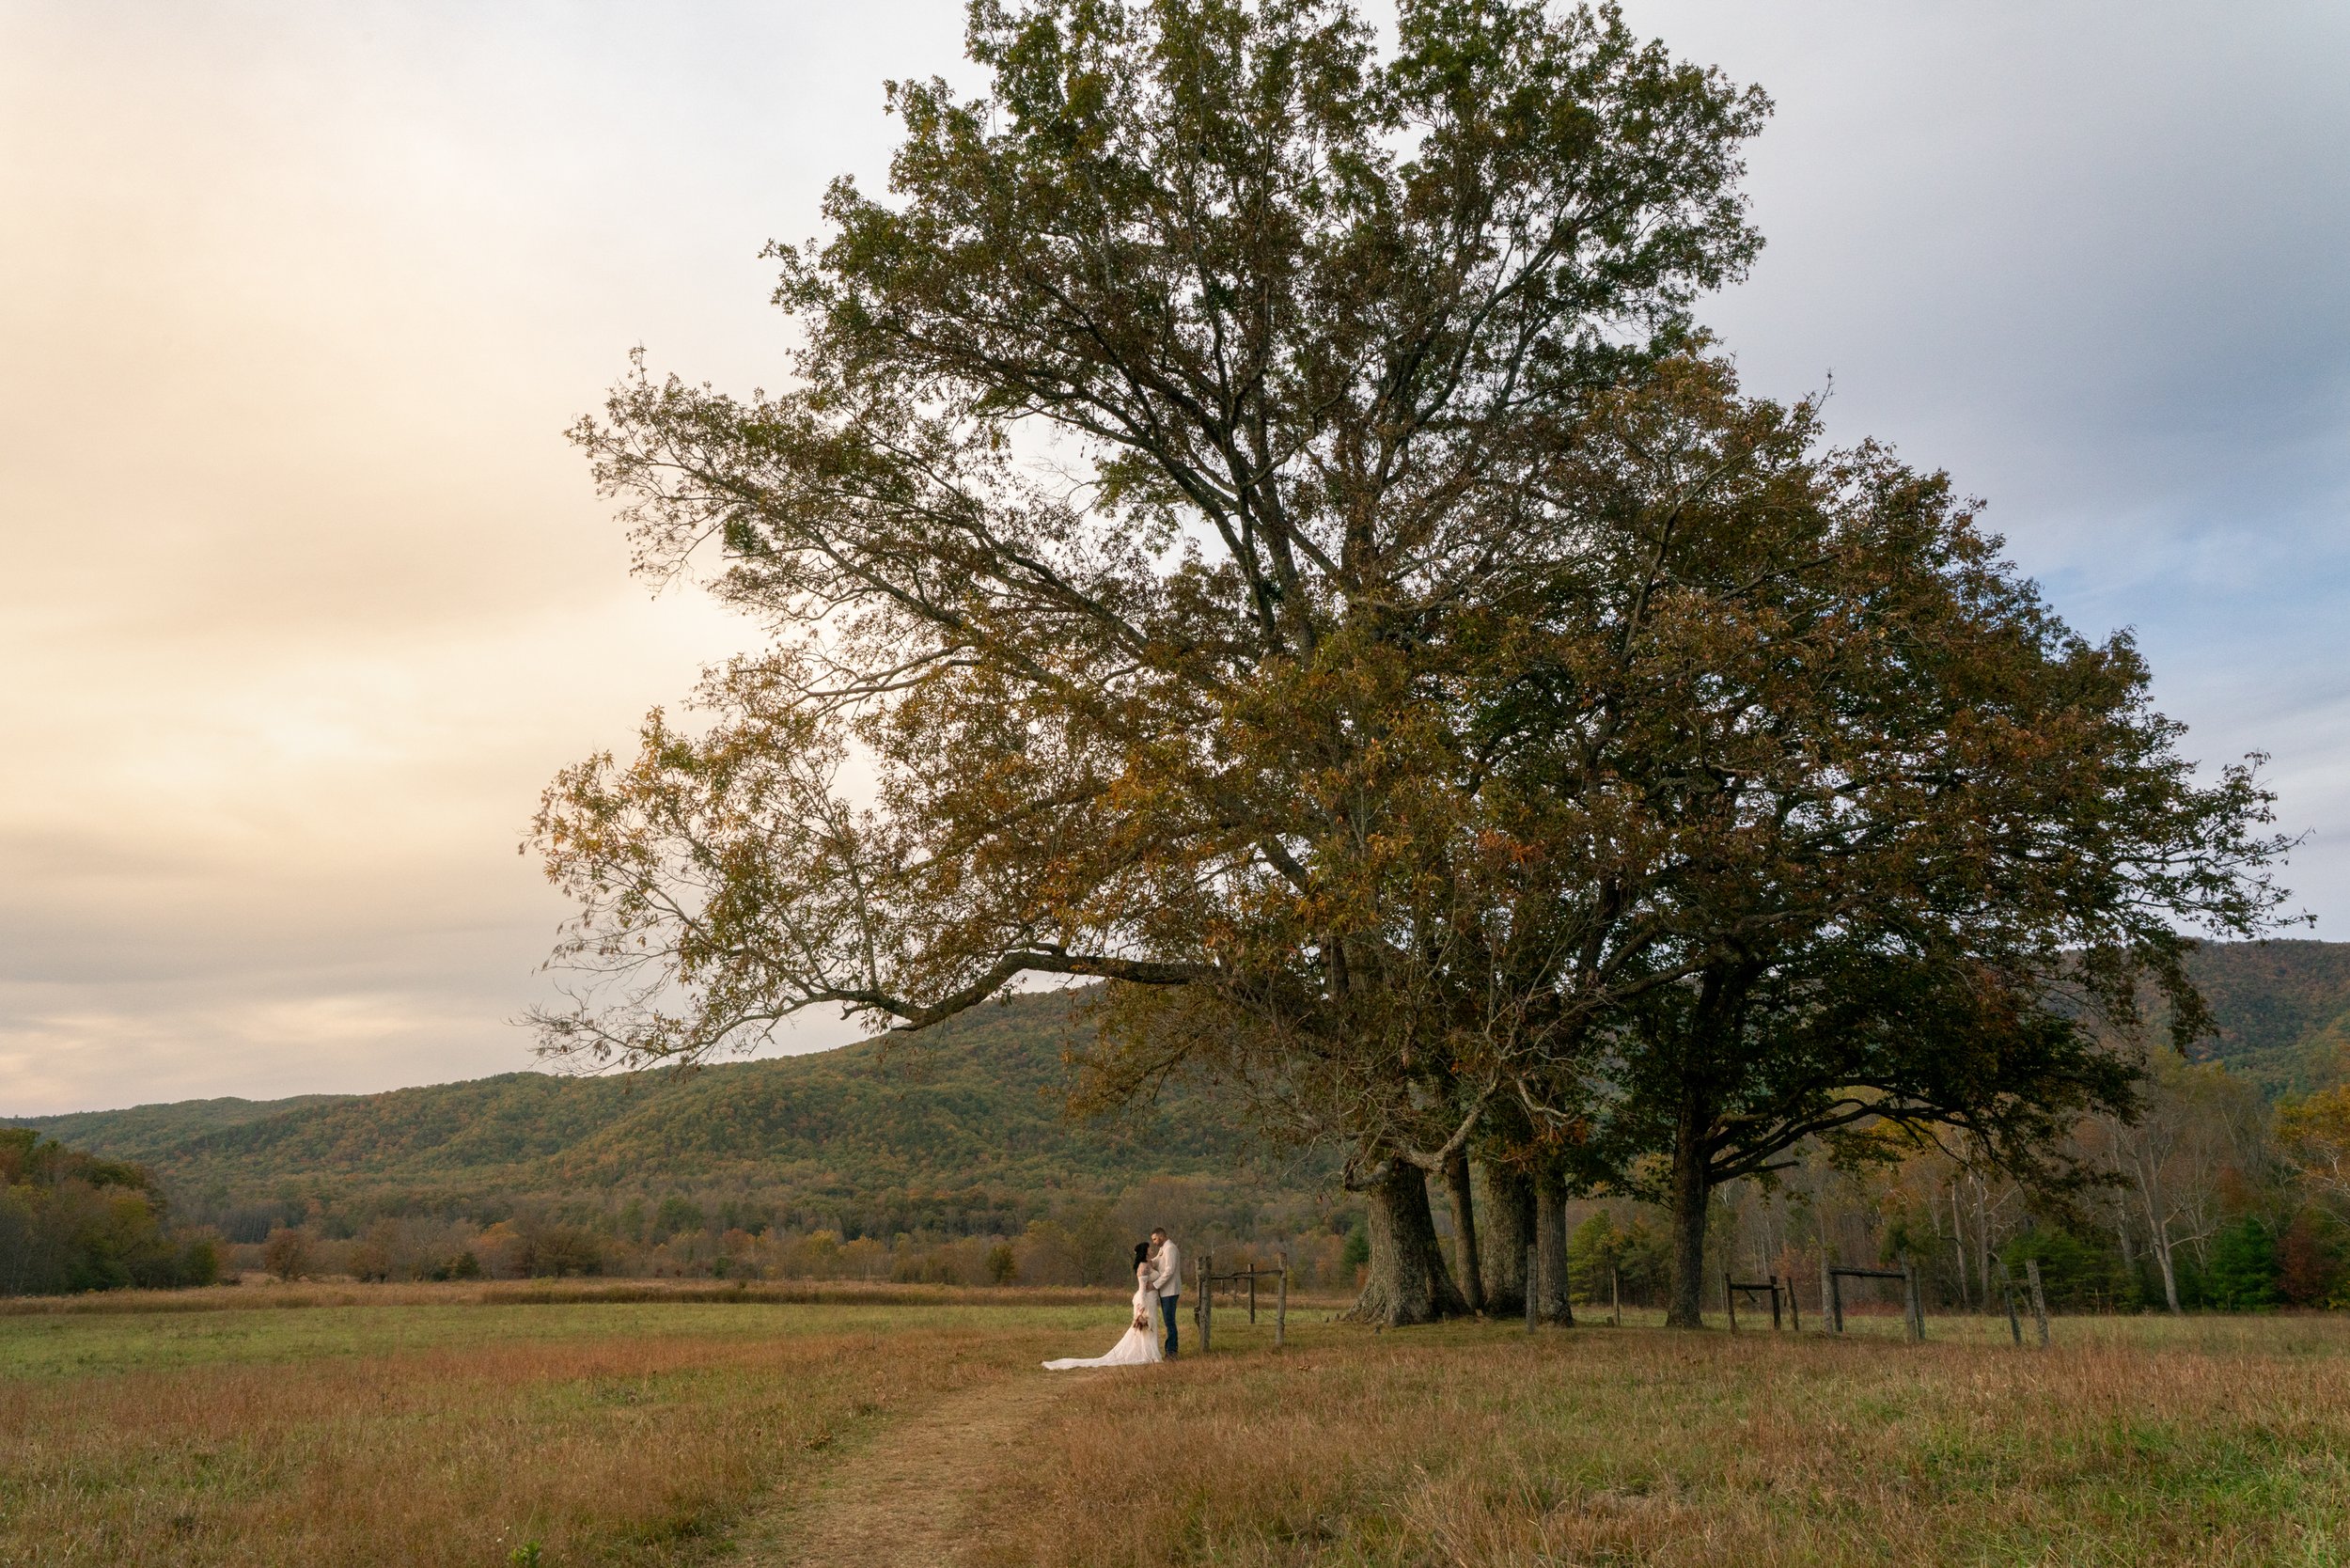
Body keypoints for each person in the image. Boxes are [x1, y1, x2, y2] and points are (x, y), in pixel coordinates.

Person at [1042, 1242, 1165, 1371]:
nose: (1152, 1249)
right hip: (1145, 1300)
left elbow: (1155, 1261)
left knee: (1151, 1326)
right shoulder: (1143, 1266)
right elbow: (1142, 1289)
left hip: (1151, 1299)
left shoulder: (1149, 1263)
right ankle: (1148, 1354)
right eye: (1149, 1248)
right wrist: (1142, 1307)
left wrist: (1161, 1253)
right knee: (1145, 1327)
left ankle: (1149, 1352)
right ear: (1145, 1251)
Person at [1148, 1226, 1182, 1359]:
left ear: (1161, 1236)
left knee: (1169, 1321)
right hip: (1165, 1291)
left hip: (1170, 1290)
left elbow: (1169, 1271)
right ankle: (1170, 1350)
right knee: (1168, 1321)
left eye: (1155, 1239)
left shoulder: (1170, 1249)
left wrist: (1155, 1285)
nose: (1154, 1242)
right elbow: (1156, 1261)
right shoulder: (1163, 1249)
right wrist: (1145, 1261)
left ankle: (1172, 1351)